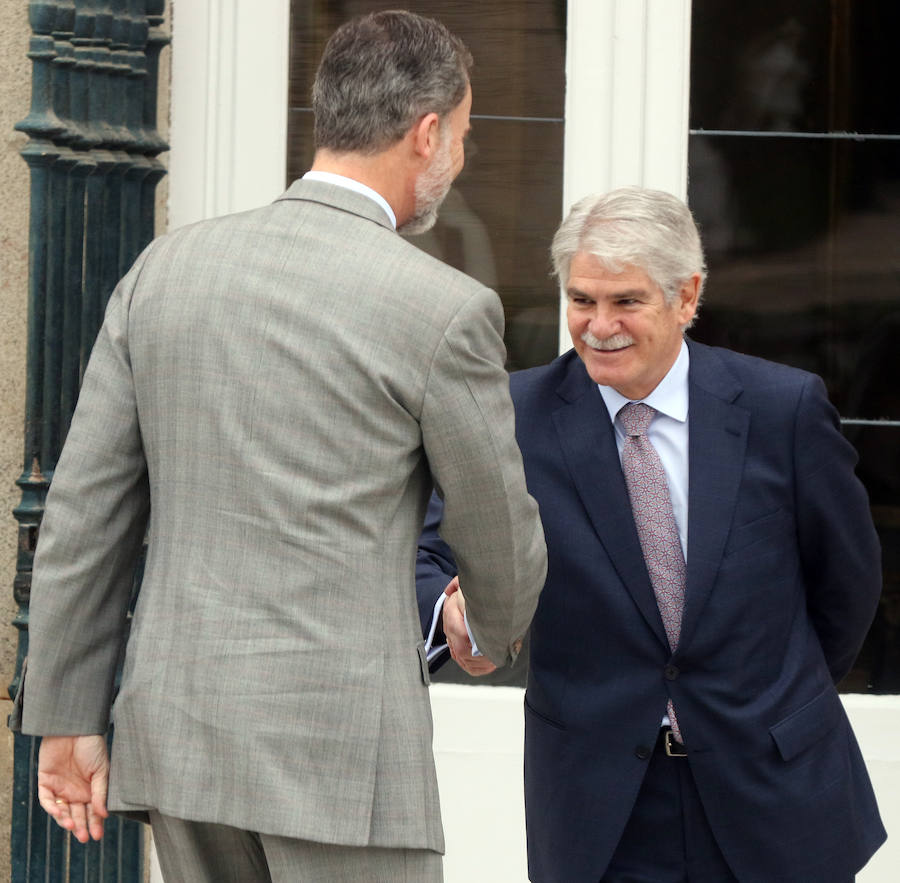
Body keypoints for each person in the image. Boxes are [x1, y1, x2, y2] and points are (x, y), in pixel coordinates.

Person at [10, 11, 547, 882]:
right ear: (427, 133)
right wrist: (485, 629)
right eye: (464, 135)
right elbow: (497, 530)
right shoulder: (441, 308)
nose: (459, 157)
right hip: (344, 759)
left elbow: (85, 512)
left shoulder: (162, 273)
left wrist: (67, 717)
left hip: (180, 736)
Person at [417, 186, 886, 882]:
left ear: (687, 296)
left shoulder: (781, 408)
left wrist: (772, 692)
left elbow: (845, 586)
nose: (599, 325)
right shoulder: (512, 416)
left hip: (775, 793)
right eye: (582, 299)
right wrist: (453, 610)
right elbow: (428, 555)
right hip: (601, 806)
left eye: (626, 301)